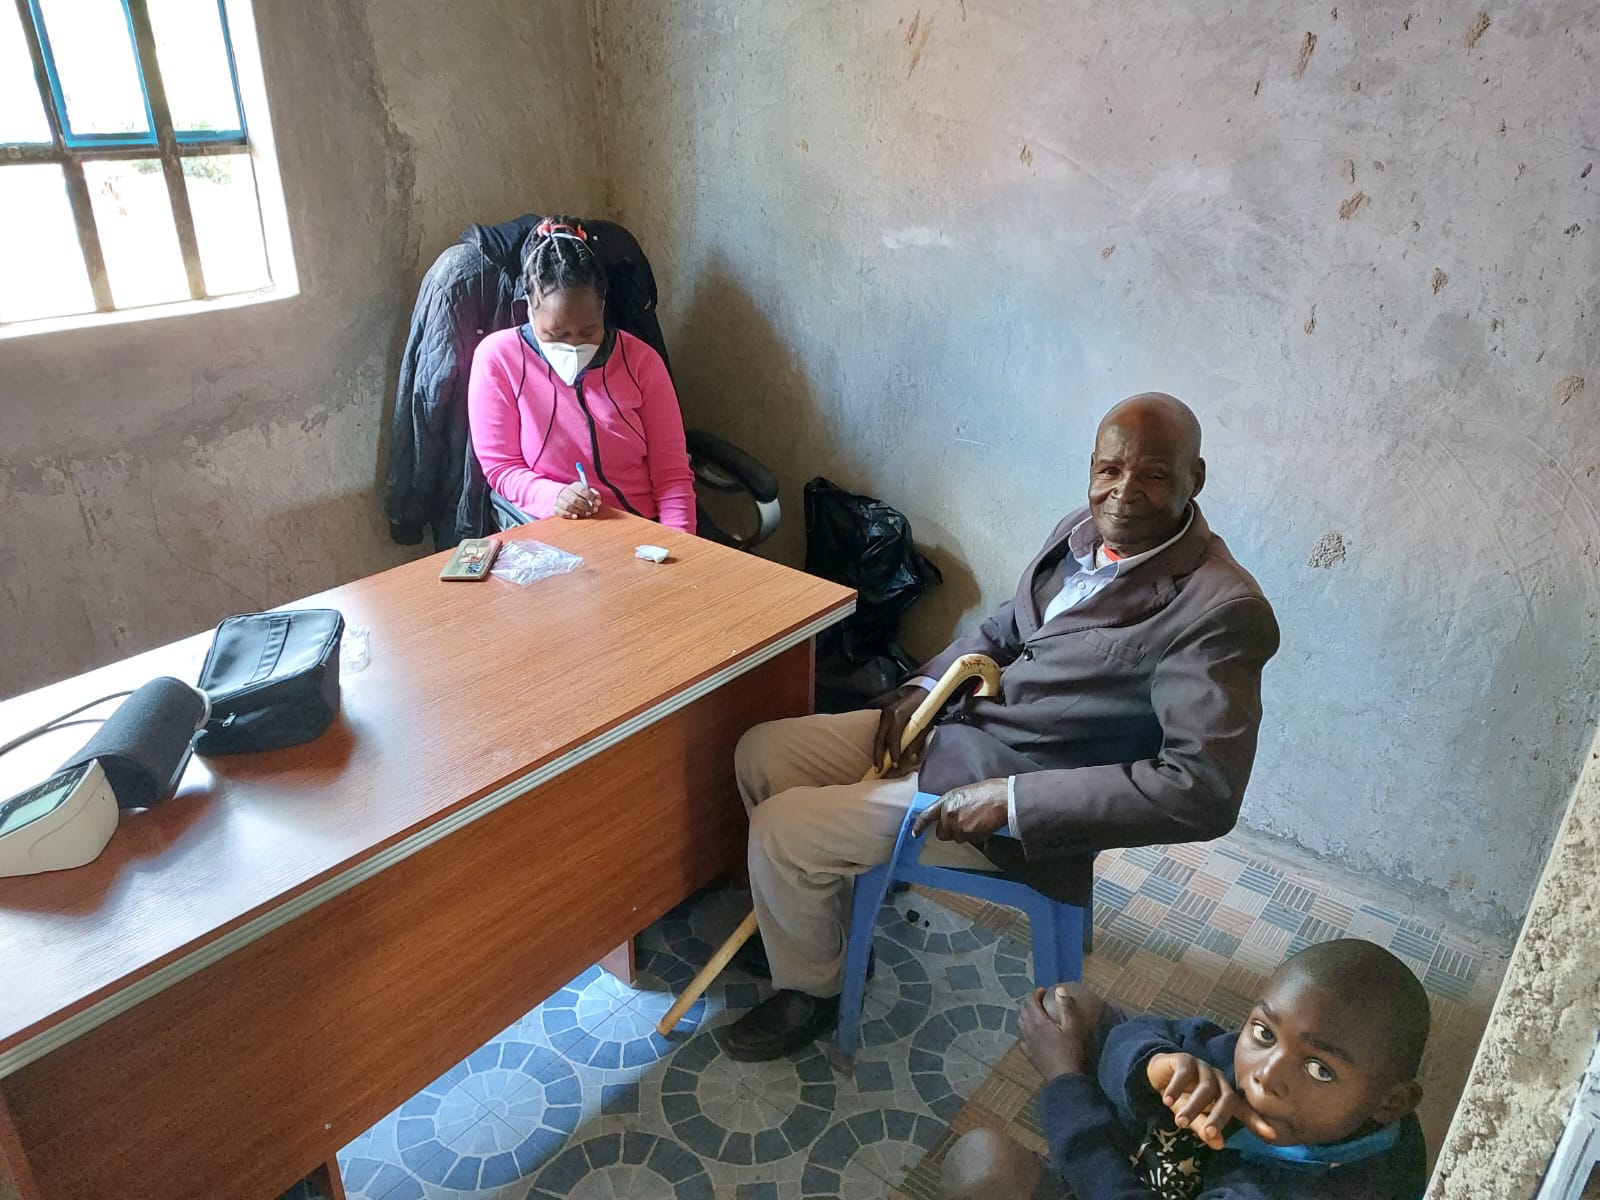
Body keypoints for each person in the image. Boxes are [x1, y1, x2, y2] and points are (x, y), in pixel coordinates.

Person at [723, 393, 1280, 1062]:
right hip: (953, 731)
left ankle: (814, 988)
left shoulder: (1219, 609)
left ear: (1197, 478)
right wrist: (923, 688)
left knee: (782, 829)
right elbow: (1004, 629)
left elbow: (1201, 789)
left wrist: (1013, 800)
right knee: (762, 752)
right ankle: (817, 927)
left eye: (1154, 475)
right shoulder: (1080, 533)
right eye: (1108, 470)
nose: (1124, 492)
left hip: (1013, 799)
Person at [940, 939, 1431, 1199]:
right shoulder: (1258, 1068)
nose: (1266, 1075)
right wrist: (1154, 1065)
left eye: (1319, 1069)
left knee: (980, 1168)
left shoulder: (1340, 1187)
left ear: (1391, 1103)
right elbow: (1159, 1034)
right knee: (1068, 1004)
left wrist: (1064, 1081)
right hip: (1159, 1167)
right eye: (1264, 1032)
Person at [466, 216, 696, 532]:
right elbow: (502, 468)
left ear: (602, 307)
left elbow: (672, 477)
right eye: (556, 334)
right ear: (530, 307)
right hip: (556, 531)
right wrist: (554, 496)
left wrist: (679, 548)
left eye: (588, 332)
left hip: (642, 531)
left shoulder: (641, 362)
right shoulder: (499, 359)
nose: (574, 345)